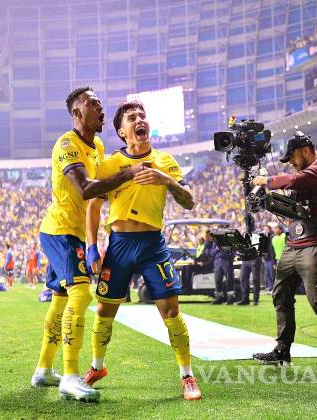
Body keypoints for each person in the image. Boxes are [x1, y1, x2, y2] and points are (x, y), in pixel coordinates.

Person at [30, 87, 147, 402]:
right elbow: (85, 187)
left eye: (100, 103)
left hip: (75, 233)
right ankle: (70, 377)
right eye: (93, 103)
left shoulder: (98, 146)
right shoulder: (67, 144)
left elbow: (100, 192)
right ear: (76, 112)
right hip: (60, 232)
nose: (100, 108)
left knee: (60, 300)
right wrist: (128, 174)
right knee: (80, 295)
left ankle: (44, 369)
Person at [82, 101, 201, 401]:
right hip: (119, 245)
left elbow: (189, 201)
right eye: (132, 117)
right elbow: (93, 205)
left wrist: (166, 180)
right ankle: (97, 367)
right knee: (104, 310)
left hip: (152, 245)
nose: (140, 120)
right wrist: (91, 246)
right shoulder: (109, 164)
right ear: (122, 131)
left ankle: (187, 375)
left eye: (143, 116)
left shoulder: (165, 161)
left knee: (171, 310)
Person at [250, 132, 317, 372]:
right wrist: (267, 201)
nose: (292, 163)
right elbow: (295, 208)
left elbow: (297, 179)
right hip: (294, 242)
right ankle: (282, 350)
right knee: (281, 294)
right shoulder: (305, 176)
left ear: (306, 150)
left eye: (293, 157)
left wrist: (267, 181)